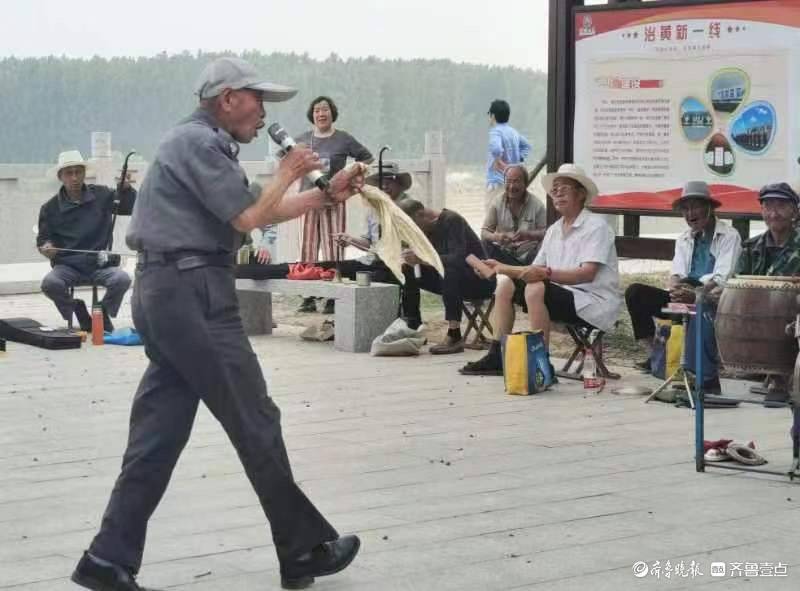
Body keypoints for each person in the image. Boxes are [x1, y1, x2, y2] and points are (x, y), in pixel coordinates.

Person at [71, 57, 365, 591]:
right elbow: (247, 219)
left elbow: (258, 210)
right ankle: (302, 550)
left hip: (171, 290)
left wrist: (325, 194)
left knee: (158, 435)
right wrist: (289, 171)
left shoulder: (199, 143)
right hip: (192, 292)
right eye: (258, 101)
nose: (264, 114)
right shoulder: (199, 143)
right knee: (255, 418)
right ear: (228, 98)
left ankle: (107, 559)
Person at [461, 163, 621, 375]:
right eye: (555, 190)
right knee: (506, 284)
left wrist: (545, 274)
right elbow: (533, 268)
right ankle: (497, 354)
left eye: (564, 189)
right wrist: (500, 269)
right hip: (557, 293)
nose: (557, 194)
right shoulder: (554, 230)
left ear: (581, 194)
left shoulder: (596, 226)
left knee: (536, 287)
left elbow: (587, 274)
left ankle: (540, 362)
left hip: (592, 301)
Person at [624, 181, 741, 387]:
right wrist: (677, 290)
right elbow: (676, 274)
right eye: (685, 209)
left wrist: (694, 294)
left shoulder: (729, 235)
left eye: (695, 207)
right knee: (635, 293)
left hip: (712, 300)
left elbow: (722, 277)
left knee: (699, 305)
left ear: (709, 208)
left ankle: (701, 373)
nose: (690, 213)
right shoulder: (684, 238)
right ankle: (656, 354)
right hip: (683, 298)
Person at [36, 150, 136, 332]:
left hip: (99, 264)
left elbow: (128, 207)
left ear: (84, 173)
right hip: (67, 266)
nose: (74, 178)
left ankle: (102, 312)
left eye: (78, 172)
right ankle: (77, 308)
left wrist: (126, 189)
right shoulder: (49, 208)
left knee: (122, 279)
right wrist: (47, 248)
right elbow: (43, 240)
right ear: (61, 177)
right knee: (50, 284)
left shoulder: (102, 195)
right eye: (69, 173)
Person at [297, 95, 373, 313]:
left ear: (332, 113)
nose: (321, 114)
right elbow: (284, 157)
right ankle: (308, 296)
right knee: (308, 248)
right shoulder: (303, 139)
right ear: (312, 115)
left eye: (325, 110)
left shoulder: (343, 139)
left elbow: (366, 157)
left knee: (333, 247)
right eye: (317, 110)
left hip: (333, 200)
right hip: (308, 199)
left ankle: (333, 295)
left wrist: (352, 173)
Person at [398, 199, 496, 354]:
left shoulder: (452, 221)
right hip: (450, 283)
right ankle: (413, 326)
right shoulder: (424, 229)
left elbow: (457, 259)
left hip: (479, 280)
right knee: (407, 269)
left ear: (421, 215)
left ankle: (454, 335)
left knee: (449, 269)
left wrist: (422, 259)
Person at [733, 182, 800, 405]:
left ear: (795, 211)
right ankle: (705, 377)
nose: (774, 213)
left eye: (781, 205)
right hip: (758, 316)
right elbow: (737, 282)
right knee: (705, 301)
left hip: (793, 315)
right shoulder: (752, 247)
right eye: (768, 206)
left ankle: (779, 377)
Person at [481, 164, 547, 265]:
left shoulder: (537, 205)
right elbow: (484, 232)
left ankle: (520, 274)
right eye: (509, 181)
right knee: (484, 245)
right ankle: (517, 275)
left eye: (516, 181)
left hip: (529, 257)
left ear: (525, 183)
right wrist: (498, 237)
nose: (511, 186)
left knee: (544, 245)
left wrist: (528, 234)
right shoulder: (497, 203)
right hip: (505, 255)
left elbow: (546, 233)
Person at [485, 99, 531, 210]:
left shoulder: (495, 131)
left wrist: (498, 159)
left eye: (489, 114)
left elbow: (496, 148)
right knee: (509, 214)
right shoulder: (513, 132)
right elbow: (527, 146)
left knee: (492, 216)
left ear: (493, 116)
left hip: (497, 181)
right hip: (513, 183)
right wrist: (518, 159)